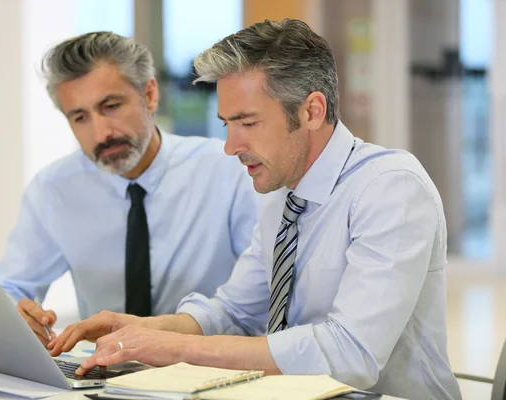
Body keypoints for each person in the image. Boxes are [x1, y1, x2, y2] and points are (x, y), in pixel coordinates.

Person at [48, 20, 462, 400]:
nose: (231, 146)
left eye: (247, 123)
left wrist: (178, 348)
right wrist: (143, 329)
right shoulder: (280, 193)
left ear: (312, 111)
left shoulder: (390, 188)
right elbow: (235, 312)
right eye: (227, 124)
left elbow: (351, 354)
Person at [0, 32, 258, 347]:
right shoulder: (54, 189)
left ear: (150, 94)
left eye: (111, 106)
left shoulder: (227, 172)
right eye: (80, 117)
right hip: (102, 372)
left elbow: (261, 293)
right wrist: (18, 315)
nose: (101, 133)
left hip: (207, 364)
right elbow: (11, 287)